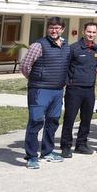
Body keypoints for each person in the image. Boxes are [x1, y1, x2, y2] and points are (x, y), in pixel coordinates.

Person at [20, 17, 71, 169]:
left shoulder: (66, 46)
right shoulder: (38, 45)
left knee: (53, 121)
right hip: (40, 90)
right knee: (35, 122)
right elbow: (24, 66)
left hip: (57, 91)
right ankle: (31, 156)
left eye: (57, 28)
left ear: (62, 29)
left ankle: (47, 152)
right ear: (47, 29)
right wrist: (37, 79)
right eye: (51, 28)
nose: (54, 31)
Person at [60, 22, 97, 158]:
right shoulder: (73, 48)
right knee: (70, 118)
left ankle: (81, 144)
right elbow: (65, 67)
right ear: (84, 31)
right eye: (89, 32)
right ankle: (66, 146)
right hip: (74, 89)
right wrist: (67, 83)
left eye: (94, 32)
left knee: (86, 119)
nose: (91, 34)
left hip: (89, 89)